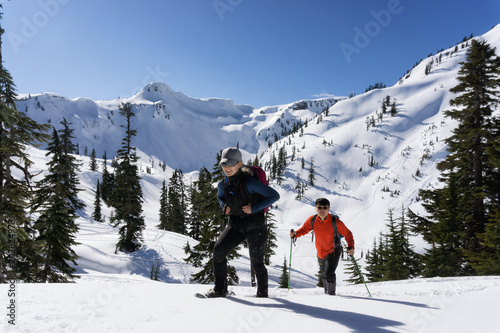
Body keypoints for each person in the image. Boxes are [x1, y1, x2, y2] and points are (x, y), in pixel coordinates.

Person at [208, 147, 280, 298]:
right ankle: (220, 291)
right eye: (224, 164)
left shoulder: (250, 183)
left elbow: (274, 195)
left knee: (257, 262)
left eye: (231, 164)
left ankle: (262, 296)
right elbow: (220, 197)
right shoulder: (223, 185)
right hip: (236, 224)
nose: (226, 168)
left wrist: (254, 207)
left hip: (256, 226)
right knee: (218, 252)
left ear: (239, 164)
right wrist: (224, 206)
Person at [290, 198, 354, 295]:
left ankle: (331, 295)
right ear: (316, 208)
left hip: (334, 251)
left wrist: (351, 246)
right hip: (320, 253)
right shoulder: (312, 220)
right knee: (324, 274)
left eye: (325, 207)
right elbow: (304, 230)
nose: (322, 210)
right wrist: (295, 234)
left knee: (329, 274)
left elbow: (348, 234)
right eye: (319, 207)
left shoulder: (335, 222)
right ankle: (326, 294)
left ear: (329, 209)